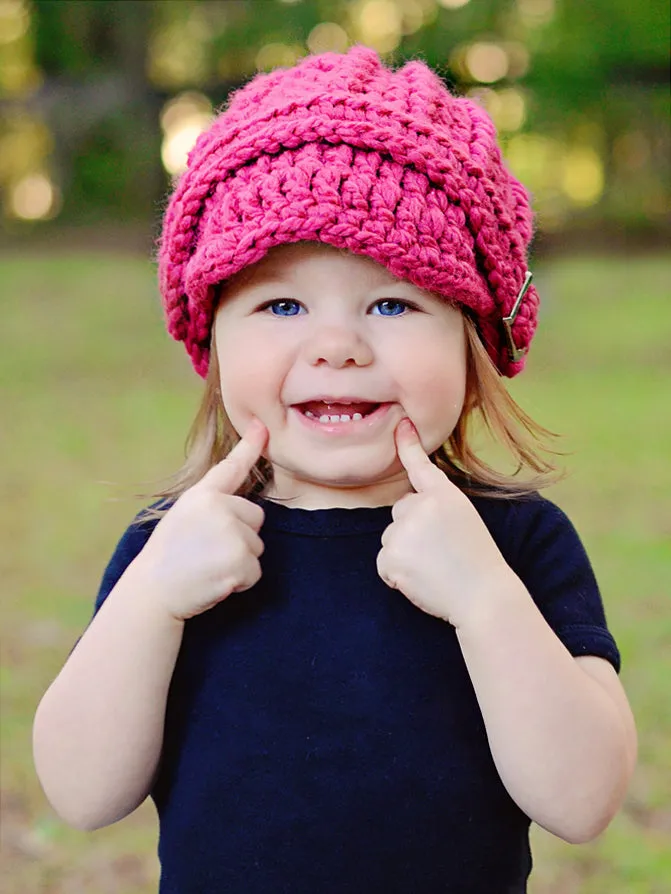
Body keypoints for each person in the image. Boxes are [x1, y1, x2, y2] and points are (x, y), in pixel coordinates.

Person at [33, 46, 636, 893]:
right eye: (280, 304)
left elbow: (581, 801)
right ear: (211, 342)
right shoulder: (180, 548)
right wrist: (152, 599)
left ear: (474, 339)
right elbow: (83, 792)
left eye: (392, 302)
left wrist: (485, 600)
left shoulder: (514, 542)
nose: (337, 346)